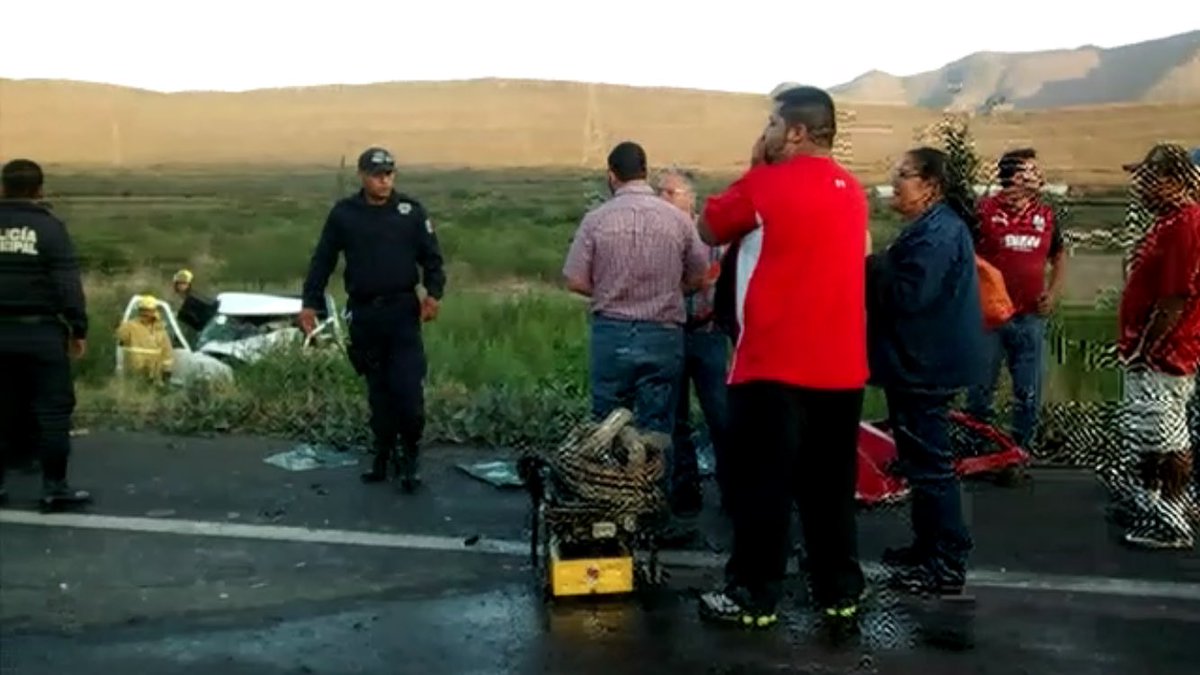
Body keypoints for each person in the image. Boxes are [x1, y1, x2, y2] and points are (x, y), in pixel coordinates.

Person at [694, 86, 869, 628]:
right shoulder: (853, 190)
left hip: (773, 364)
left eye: (771, 123)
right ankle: (838, 590)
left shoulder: (763, 185)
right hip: (842, 367)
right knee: (831, 487)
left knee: (763, 485)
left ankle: (754, 593)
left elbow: (707, 227)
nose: (766, 132)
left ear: (795, 132)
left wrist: (753, 167)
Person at [562, 142, 709, 508]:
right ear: (645, 171)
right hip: (663, 335)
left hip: (612, 333)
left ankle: (608, 506)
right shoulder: (676, 219)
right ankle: (655, 507)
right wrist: (670, 291)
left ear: (612, 175)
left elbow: (575, 280)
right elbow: (700, 275)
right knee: (657, 427)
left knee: (606, 426)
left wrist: (611, 291)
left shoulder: (597, 219)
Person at [867, 147, 986, 594]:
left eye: (903, 175)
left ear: (930, 186)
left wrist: (871, 264)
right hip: (918, 363)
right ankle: (927, 545)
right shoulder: (930, 229)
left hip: (924, 366)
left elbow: (908, 297)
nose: (894, 183)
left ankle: (946, 562)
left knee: (931, 466)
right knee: (919, 463)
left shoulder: (936, 236)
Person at [300, 146, 446, 493]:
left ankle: (410, 457)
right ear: (363, 176)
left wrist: (434, 294)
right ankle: (381, 456)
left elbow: (432, 259)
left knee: (408, 391)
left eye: (390, 174)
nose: (385, 180)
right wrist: (310, 303)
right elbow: (323, 260)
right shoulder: (344, 214)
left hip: (402, 311)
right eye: (378, 174)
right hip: (365, 313)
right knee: (378, 393)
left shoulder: (410, 212)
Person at [1115, 143, 1200, 550]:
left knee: (1169, 439)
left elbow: (1176, 297)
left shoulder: (1187, 224)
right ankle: (1151, 503)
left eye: (1149, 180)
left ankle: (1172, 519)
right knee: (1150, 434)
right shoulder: (1167, 223)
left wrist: (1145, 348)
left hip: (1165, 354)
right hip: (1151, 353)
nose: (1141, 189)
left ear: (1175, 182)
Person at [0, 159, 91, 508]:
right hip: (40, 334)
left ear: (3, 187)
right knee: (53, 411)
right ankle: (55, 488)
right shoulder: (50, 228)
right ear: (39, 189)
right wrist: (78, 327)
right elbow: (67, 284)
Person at [966, 148, 1067, 451]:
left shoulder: (1046, 216)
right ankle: (977, 451)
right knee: (980, 391)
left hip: (1029, 317)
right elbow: (963, 253)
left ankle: (1018, 453)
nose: (1036, 176)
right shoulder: (982, 211)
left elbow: (1059, 255)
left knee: (1028, 391)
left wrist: (1053, 292)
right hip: (989, 319)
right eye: (1028, 171)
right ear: (1011, 176)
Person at [655, 167, 732, 517]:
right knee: (675, 419)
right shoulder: (657, 237)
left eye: (671, 193)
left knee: (721, 415)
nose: (663, 199)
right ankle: (685, 494)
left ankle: (735, 491)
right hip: (670, 333)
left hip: (708, 334)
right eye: (660, 192)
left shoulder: (713, 236)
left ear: (691, 198)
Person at [116, 294, 175, 383]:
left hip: (154, 374)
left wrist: (166, 370)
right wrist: (118, 326)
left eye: (148, 311)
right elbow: (121, 338)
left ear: (154, 312)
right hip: (134, 373)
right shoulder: (130, 326)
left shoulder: (160, 329)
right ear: (139, 311)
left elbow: (167, 352)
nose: (146, 314)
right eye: (144, 310)